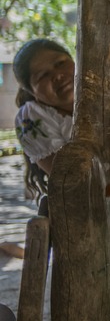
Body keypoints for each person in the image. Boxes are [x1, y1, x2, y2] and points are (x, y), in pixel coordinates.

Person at [12, 39, 75, 205]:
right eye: (43, 75)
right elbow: (72, 179)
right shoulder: (32, 117)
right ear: (32, 92)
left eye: (60, 63)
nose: (57, 75)